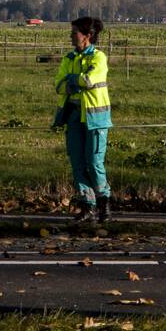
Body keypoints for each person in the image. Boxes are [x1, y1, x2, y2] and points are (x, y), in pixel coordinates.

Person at [53, 17, 113, 223]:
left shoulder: (99, 57)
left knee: (94, 162)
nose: (71, 36)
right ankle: (88, 205)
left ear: (87, 36)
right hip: (73, 117)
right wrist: (73, 81)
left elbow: (90, 80)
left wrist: (71, 80)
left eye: (75, 33)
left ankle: (104, 201)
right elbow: (58, 85)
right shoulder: (68, 58)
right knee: (77, 163)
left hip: (95, 118)